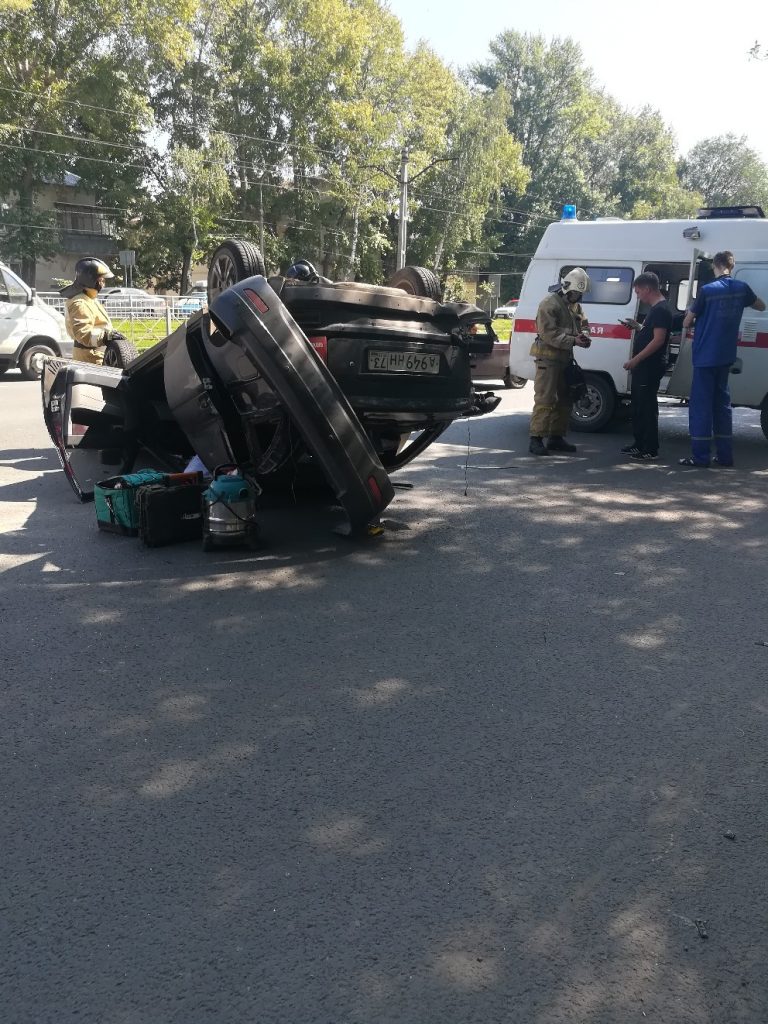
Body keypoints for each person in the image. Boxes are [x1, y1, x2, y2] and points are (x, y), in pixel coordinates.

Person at [680, 251, 766, 467]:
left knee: (701, 407)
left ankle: (700, 457)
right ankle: (725, 456)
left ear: (714, 266)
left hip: (705, 357)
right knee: (722, 406)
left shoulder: (707, 291)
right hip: (726, 356)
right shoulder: (742, 289)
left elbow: (686, 322)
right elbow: (761, 306)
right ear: (732, 265)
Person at [528, 267, 592, 456]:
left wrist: (584, 336)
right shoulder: (549, 304)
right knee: (545, 399)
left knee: (565, 400)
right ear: (567, 288)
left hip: (564, 359)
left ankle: (556, 437)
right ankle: (536, 439)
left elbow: (585, 325)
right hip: (547, 360)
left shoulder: (575, 306)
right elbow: (548, 333)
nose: (578, 297)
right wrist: (574, 340)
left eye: (580, 294)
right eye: (576, 293)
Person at [620, 271, 673, 461]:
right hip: (645, 367)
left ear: (648, 289)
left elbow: (658, 340)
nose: (637, 295)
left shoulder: (661, 309)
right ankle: (639, 443)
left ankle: (650, 448)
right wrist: (638, 327)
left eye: (638, 291)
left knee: (646, 408)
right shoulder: (655, 309)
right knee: (639, 406)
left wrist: (636, 360)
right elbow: (651, 333)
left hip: (649, 367)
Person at [60, 257, 121, 364]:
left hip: (97, 355)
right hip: (90, 358)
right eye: (101, 280)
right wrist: (106, 336)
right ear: (90, 280)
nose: (103, 284)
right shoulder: (79, 303)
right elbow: (83, 334)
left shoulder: (89, 299)